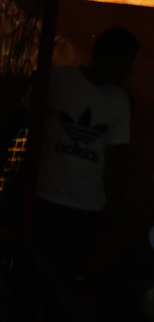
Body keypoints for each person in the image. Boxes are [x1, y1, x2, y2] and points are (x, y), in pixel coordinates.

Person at [32, 26, 138, 280]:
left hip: (83, 209)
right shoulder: (58, 80)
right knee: (38, 278)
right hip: (48, 200)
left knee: (62, 281)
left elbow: (112, 163)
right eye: (125, 62)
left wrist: (116, 213)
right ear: (107, 56)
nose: (129, 70)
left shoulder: (119, 102)